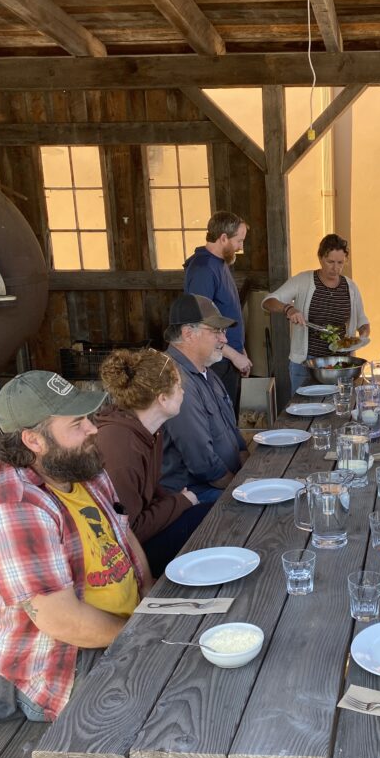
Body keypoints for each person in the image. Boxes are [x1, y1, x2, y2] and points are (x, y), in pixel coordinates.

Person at [0, 370, 152, 758]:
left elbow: (123, 533)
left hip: (120, 621)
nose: (93, 428)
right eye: (77, 423)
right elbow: (61, 623)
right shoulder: (12, 507)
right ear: (33, 439)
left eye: (88, 417)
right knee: (163, 709)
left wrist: (152, 597)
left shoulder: (80, 467)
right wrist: (147, 638)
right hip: (53, 658)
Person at [96, 348, 213, 578]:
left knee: (207, 512)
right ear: (162, 398)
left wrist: (176, 501)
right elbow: (131, 530)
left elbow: (147, 492)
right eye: (179, 387)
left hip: (141, 531)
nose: (182, 392)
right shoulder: (122, 448)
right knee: (205, 517)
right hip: (121, 559)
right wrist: (180, 502)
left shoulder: (149, 430)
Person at [161, 293, 249, 503]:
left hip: (227, 481)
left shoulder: (206, 371)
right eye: (216, 331)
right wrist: (240, 489)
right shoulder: (174, 379)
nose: (224, 339)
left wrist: (250, 473)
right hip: (195, 493)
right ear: (188, 333)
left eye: (223, 331)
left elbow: (234, 434)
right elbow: (202, 462)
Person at [261, 234, 370, 393]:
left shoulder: (350, 287)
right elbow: (268, 302)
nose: (335, 268)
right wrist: (288, 309)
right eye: (330, 262)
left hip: (341, 364)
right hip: (307, 364)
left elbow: (362, 321)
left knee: (339, 409)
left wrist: (363, 335)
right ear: (320, 258)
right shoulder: (303, 281)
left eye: (340, 263)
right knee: (302, 409)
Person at [183, 211, 252, 410]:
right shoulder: (203, 269)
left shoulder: (221, 263)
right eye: (239, 241)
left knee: (231, 418)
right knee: (220, 419)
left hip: (229, 355)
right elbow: (201, 322)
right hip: (215, 360)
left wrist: (240, 349)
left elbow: (226, 311)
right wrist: (234, 355)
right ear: (223, 238)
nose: (240, 247)